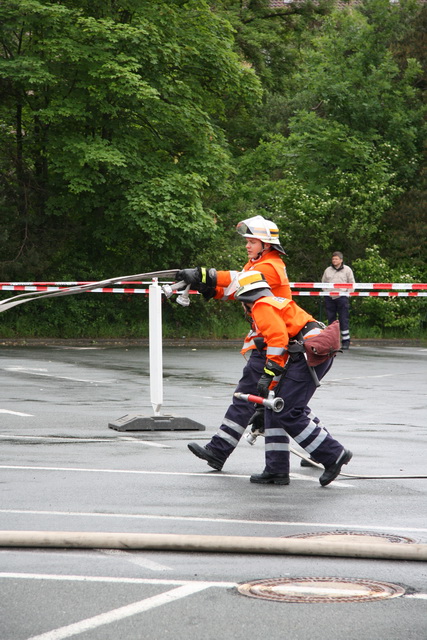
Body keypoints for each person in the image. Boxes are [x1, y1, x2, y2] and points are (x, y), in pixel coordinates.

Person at [176, 215, 324, 471]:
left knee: (247, 395)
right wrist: (208, 288)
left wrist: (204, 274)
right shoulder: (257, 264)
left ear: (266, 245)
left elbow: (237, 279)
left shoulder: (271, 266)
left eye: (252, 241)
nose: (247, 245)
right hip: (272, 340)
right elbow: (236, 290)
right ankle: (323, 450)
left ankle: (218, 450)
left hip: (274, 342)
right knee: (286, 404)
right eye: (247, 241)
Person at [234, 270, 353, 487]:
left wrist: (268, 373)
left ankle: (333, 454)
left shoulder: (261, 306)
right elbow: (282, 350)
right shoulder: (272, 302)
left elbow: (277, 341)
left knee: (288, 411)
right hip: (312, 351)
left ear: (245, 299)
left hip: (309, 354)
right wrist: (265, 399)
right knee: (274, 407)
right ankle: (276, 470)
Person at [322, 251, 355, 349]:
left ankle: (345, 341)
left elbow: (352, 283)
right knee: (331, 320)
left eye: (336, 259)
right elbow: (323, 282)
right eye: (333, 259)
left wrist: (348, 294)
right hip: (330, 297)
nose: (334, 261)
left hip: (342, 297)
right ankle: (332, 342)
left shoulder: (347, 270)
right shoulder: (328, 270)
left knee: (343, 319)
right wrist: (326, 293)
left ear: (341, 260)